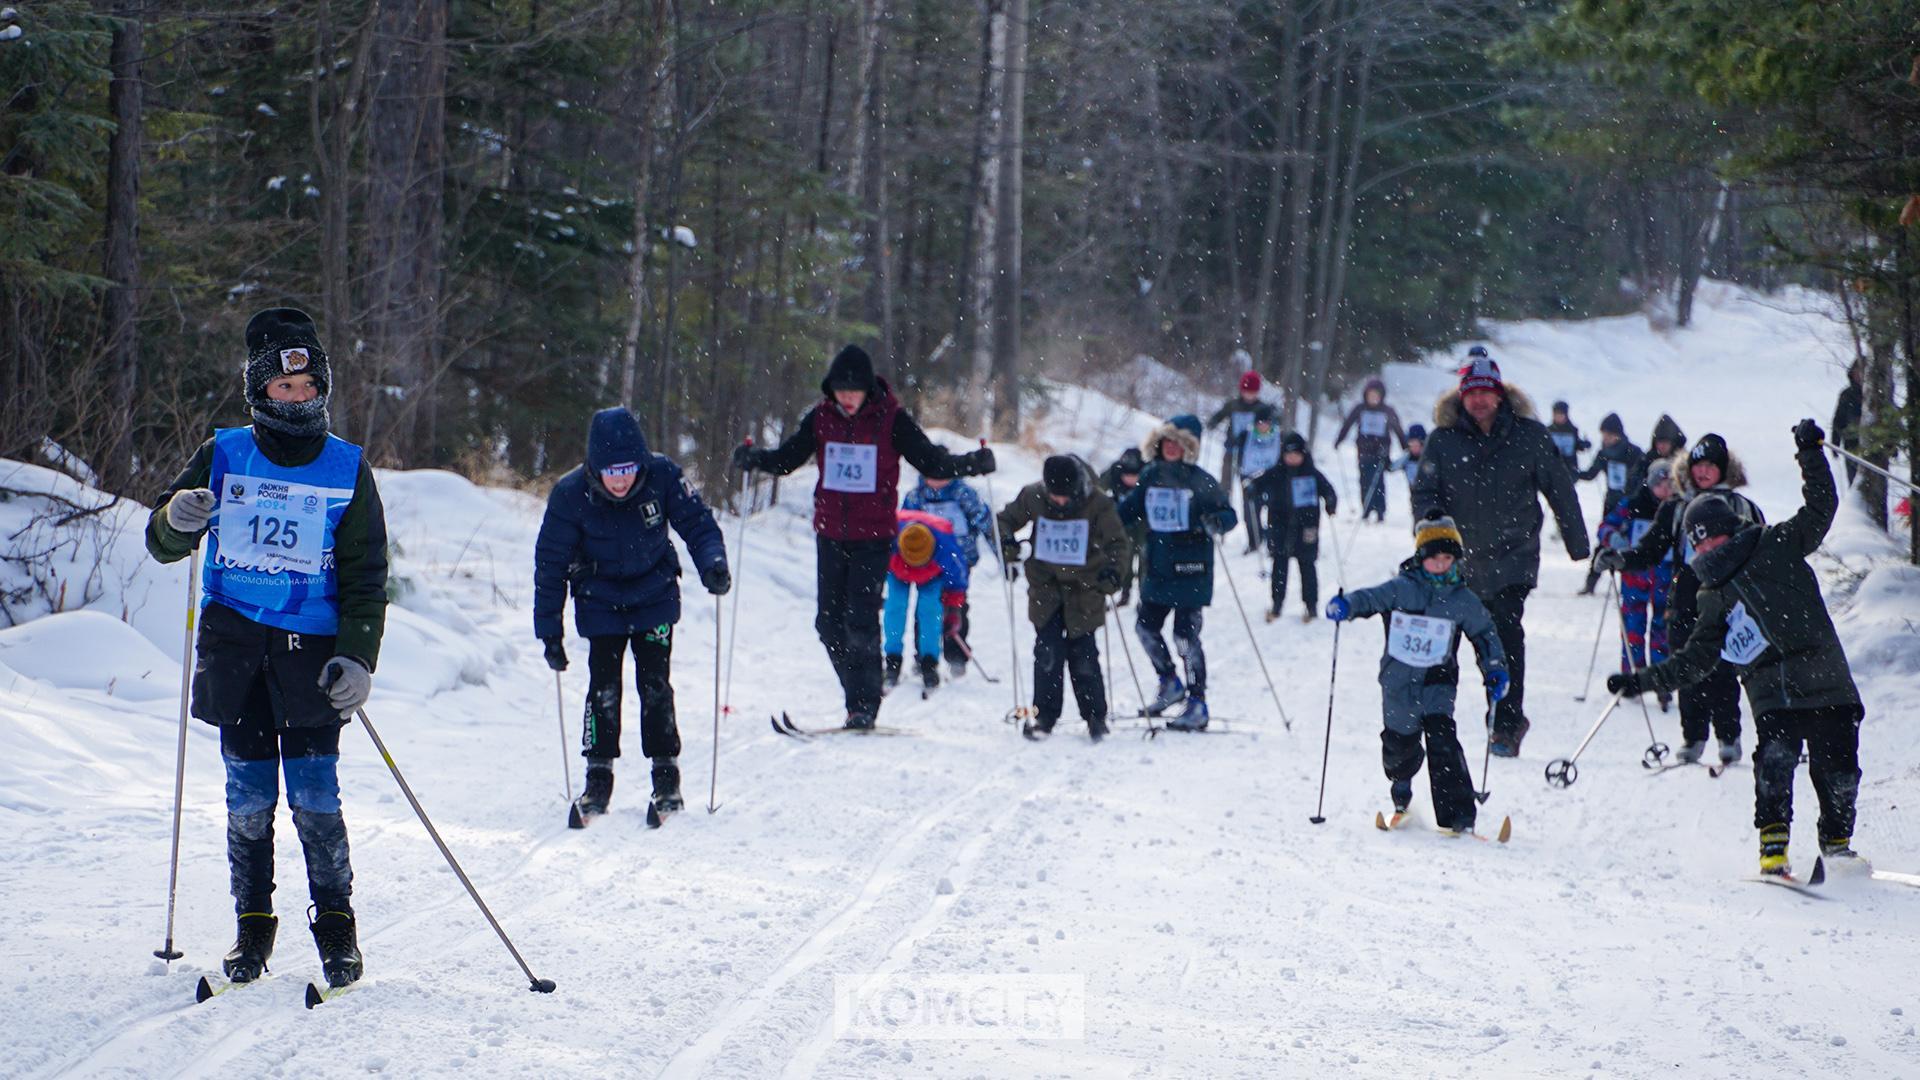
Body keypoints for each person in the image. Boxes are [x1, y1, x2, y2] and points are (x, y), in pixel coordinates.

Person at [144, 307, 389, 989]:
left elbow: (368, 576)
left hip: (310, 656)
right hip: (236, 652)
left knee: (315, 796)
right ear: (260, 390)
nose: (299, 396)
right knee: (248, 798)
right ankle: (252, 929)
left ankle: (337, 931)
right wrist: (177, 516)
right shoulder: (224, 453)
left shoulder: (348, 468)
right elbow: (163, 542)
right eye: (285, 388)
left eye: (309, 385)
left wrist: (359, 657)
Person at [1610, 420, 1863, 878]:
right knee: (1775, 762)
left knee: (1840, 768)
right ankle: (1773, 846)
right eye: (1697, 541)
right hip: (1773, 693)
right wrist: (1641, 680)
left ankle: (1838, 845)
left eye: (1711, 535)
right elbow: (1697, 658)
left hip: (1826, 677)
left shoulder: (1778, 543)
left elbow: (1821, 506)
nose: (1705, 546)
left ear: (1731, 527)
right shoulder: (1713, 595)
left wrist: (1810, 454)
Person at [732, 345, 994, 729]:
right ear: (831, 390)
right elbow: (789, 459)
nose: (848, 398)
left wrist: (973, 463)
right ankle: (856, 692)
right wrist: (755, 460)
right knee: (827, 622)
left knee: (860, 620)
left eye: (854, 391)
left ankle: (863, 705)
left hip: (874, 537)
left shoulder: (891, 419)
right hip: (831, 534)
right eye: (841, 391)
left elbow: (930, 461)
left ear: (868, 389)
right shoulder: (821, 418)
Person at [534, 407, 729, 821]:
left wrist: (713, 562)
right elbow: (550, 563)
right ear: (595, 468)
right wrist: (549, 629)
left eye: (627, 468)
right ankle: (597, 779)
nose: (620, 479)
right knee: (603, 688)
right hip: (598, 599)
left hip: (654, 594)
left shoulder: (663, 476)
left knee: (655, 685)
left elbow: (698, 523)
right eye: (611, 470)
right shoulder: (570, 494)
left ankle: (666, 778)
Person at [1413, 354, 1588, 756]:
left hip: (1514, 555)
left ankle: (1507, 723)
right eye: (1470, 393)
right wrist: (1431, 528)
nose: (1478, 401)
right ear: (1461, 396)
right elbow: (1424, 491)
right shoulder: (1443, 440)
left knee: (1504, 636)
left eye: (1485, 393)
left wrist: (1578, 544)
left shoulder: (1529, 435)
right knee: (1456, 642)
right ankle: (1444, 720)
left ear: (1499, 393)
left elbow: (1559, 487)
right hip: (1457, 560)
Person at [1324, 515, 1508, 832]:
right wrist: (1346, 605)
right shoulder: (1401, 589)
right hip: (1398, 681)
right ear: (1422, 557)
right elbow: (1369, 599)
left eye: (1448, 558)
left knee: (1443, 740)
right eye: (1435, 557)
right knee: (1400, 745)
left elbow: (1485, 634)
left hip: (1438, 681)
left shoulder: (1462, 599)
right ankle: (1401, 797)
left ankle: (1458, 816)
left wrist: (1494, 669)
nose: (1441, 564)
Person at [1598, 432, 1763, 765]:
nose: (1702, 472)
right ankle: (1693, 735)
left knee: (1724, 669)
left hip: (1729, 596)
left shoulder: (1740, 506)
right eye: (1697, 466)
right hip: (1685, 592)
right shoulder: (1676, 507)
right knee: (1685, 666)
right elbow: (1651, 548)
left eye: (1710, 466)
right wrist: (1621, 558)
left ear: (1723, 470)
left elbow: (1759, 549)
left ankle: (1728, 735)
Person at [1116, 414, 1237, 731]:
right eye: (1167, 442)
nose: (1171, 448)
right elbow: (1128, 510)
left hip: (1191, 570)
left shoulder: (1201, 480)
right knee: (1145, 629)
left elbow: (1229, 514)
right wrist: (1100, 521)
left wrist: (1216, 523)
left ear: (1190, 449)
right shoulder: (1151, 475)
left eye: (1179, 444)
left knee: (1185, 636)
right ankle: (1169, 681)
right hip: (1157, 568)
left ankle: (1198, 702)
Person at [996, 455, 1129, 740]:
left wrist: (1113, 575)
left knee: (1084, 654)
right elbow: (1003, 520)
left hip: (1085, 588)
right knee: (1047, 652)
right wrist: (1007, 544)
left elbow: (1118, 543)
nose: (1059, 502)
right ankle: (1043, 716)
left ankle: (1095, 717)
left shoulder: (1097, 503)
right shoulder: (1033, 496)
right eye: (1054, 496)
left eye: (1064, 497)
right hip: (1046, 587)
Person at [1596, 457, 1676, 710]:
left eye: (1670, 484)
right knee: (1632, 626)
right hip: (1635, 575)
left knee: (1662, 630)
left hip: (1666, 578)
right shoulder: (1632, 504)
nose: (1665, 490)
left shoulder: (1677, 509)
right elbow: (1605, 526)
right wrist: (1615, 541)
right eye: (1660, 484)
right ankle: (1631, 677)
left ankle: (1661, 681)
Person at [901, 466, 995, 677]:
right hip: (925, 561)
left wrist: (1002, 554)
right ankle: (924, 655)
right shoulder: (916, 497)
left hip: (959, 560)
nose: (936, 482)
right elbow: (903, 527)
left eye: (941, 477)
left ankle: (956, 654)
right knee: (926, 609)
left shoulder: (964, 495)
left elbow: (986, 524)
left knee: (956, 605)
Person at [1252, 431, 1336, 623]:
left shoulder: (1312, 474)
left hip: (1307, 527)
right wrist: (1252, 489)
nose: (1292, 458)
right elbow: (1257, 484)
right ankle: (1277, 604)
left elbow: (1328, 490)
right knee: (1279, 566)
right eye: (1288, 455)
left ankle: (1311, 605)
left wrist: (1331, 502)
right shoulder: (1276, 473)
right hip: (1279, 525)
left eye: (1296, 454)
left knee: (1307, 566)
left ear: (1303, 455)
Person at [881, 510, 970, 692]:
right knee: (895, 606)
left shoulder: (946, 547)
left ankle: (929, 661)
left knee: (930, 610)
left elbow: (957, 581)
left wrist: (953, 611)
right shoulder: (887, 533)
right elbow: (871, 559)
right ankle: (892, 659)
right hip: (897, 569)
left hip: (931, 575)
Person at [1206, 370, 1280, 549]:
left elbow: (1273, 423)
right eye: (1246, 391)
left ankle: (1258, 533)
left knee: (1250, 491)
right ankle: (1222, 523)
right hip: (1232, 450)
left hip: (1252, 453)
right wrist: (1212, 423)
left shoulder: (1261, 408)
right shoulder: (1233, 405)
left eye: (1253, 392)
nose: (1249, 395)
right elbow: (1220, 415)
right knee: (1225, 486)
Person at [1577, 413, 1646, 595]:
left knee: (1631, 544)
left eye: (1607, 435)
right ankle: (1590, 584)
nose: (1604, 439)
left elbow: (1644, 477)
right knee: (1603, 544)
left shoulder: (1634, 453)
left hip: (1632, 506)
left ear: (1617, 434)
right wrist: (1574, 474)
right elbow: (1591, 474)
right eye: (1603, 435)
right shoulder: (1603, 453)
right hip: (1611, 506)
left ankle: (1631, 586)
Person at [1334, 376, 1408, 523]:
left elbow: (1398, 429)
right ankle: (1366, 508)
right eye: (1371, 395)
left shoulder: (1387, 411)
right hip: (1364, 451)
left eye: (1376, 395)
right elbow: (1348, 424)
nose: (1373, 398)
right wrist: (1339, 440)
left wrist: (1405, 447)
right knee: (1364, 480)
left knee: (1378, 480)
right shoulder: (1360, 409)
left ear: (1381, 396)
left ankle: (1380, 510)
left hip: (1382, 452)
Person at [1101, 448, 1148, 607]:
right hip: (1122, 523)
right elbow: (1098, 488)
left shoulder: (1148, 473)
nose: (1130, 480)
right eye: (1127, 476)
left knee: (1145, 559)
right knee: (1124, 558)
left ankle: (1144, 595)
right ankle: (1124, 592)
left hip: (1144, 523)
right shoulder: (1114, 472)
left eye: (1135, 477)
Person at [1236, 416, 1285, 552]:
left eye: (1266, 422)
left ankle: (1273, 541)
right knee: (1250, 510)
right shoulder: (1247, 435)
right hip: (1250, 477)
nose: (1262, 425)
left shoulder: (1279, 436)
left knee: (1274, 510)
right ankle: (1254, 541)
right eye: (1260, 422)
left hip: (1273, 477)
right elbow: (1236, 448)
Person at [1832, 360, 1864, 484]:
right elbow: (1838, 420)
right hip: (1851, 446)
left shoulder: (1876, 397)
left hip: (1875, 450)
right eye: (1857, 372)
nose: (1859, 376)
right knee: (1854, 483)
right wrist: (1835, 444)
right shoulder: (1847, 395)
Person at [1388, 423, 1427, 513]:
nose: (1414, 448)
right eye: (1411, 444)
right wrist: (1385, 458)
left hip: (1428, 492)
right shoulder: (1407, 458)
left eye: (1417, 445)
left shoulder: (1427, 458)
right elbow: (1391, 468)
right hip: (1414, 493)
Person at [1547, 401, 1591, 477]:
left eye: (1561, 414)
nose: (1558, 417)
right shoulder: (1549, 430)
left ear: (1566, 415)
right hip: (1553, 468)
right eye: (1556, 414)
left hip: (1569, 468)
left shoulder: (1572, 430)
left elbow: (1576, 445)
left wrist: (1584, 445)